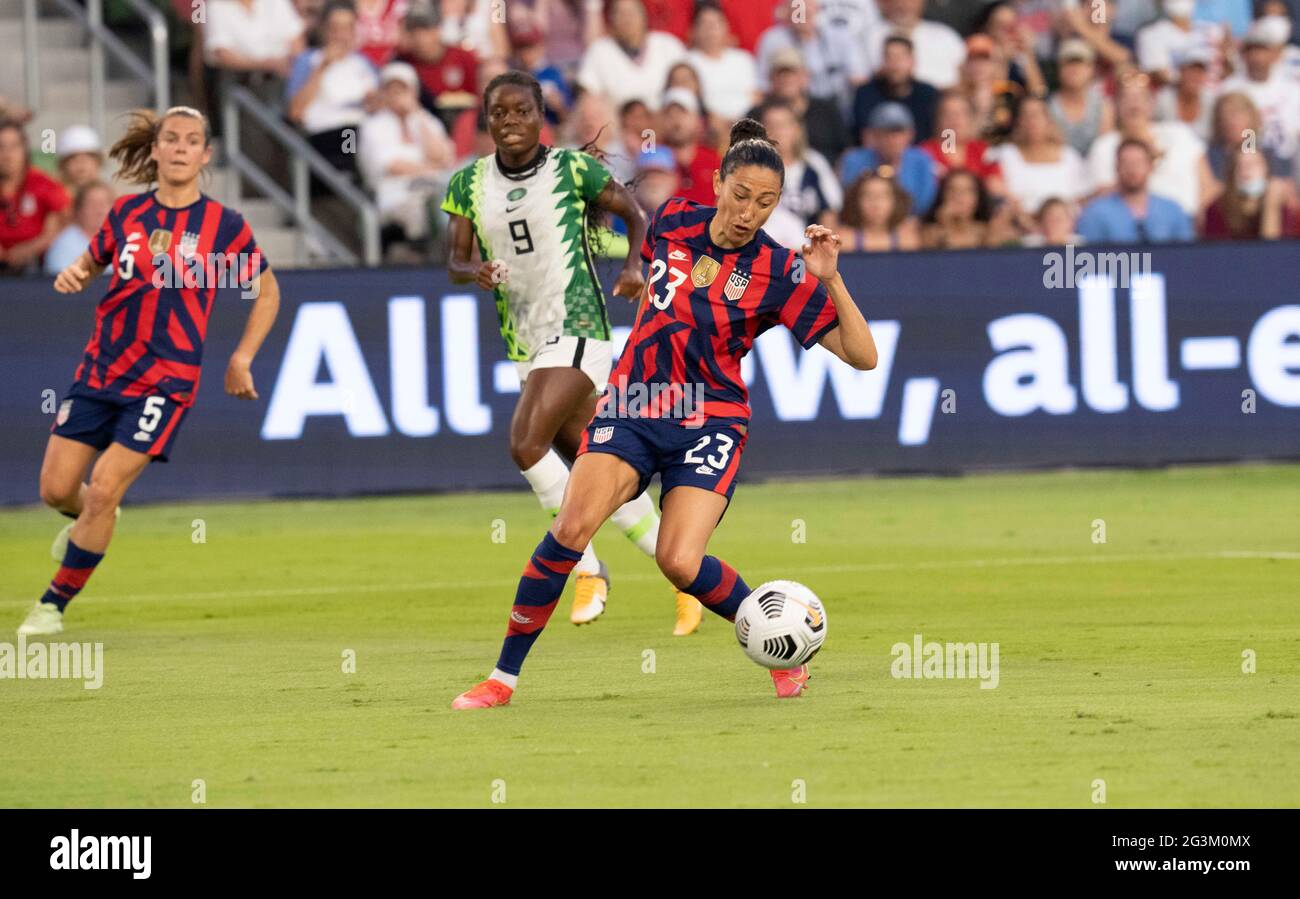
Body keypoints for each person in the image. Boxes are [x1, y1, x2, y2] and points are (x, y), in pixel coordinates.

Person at [450, 117, 880, 709]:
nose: (749, 212)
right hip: (632, 406)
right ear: (716, 182)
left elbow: (864, 357)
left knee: (679, 561)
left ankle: (781, 650)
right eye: (740, 195)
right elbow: (657, 285)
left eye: (766, 203)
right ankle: (502, 680)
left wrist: (832, 282)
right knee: (571, 528)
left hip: (711, 419)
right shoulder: (673, 219)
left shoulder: (781, 272)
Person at [442, 72, 705, 635]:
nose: (509, 121)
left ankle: (585, 568)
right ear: (487, 121)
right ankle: (690, 583)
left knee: (524, 442)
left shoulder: (571, 169)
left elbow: (636, 213)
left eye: (521, 111)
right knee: (598, 476)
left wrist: (635, 265)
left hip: (579, 324)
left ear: (542, 117)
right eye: (498, 113)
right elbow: (455, 261)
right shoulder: (467, 183)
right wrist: (477, 271)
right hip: (526, 339)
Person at [17, 107, 282, 636]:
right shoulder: (126, 214)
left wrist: (241, 357)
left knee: (103, 489)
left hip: (166, 381)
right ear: (156, 150)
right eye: (171, 139)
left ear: (205, 156)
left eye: (192, 141)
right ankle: (95, 521)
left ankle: (52, 604)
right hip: (101, 370)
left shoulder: (222, 227)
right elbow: (94, 262)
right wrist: (76, 273)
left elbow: (267, 290)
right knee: (56, 490)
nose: (181, 148)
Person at [360, 61, 456, 247]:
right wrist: (433, 167)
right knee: (424, 207)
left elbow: (443, 156)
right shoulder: (373, 125)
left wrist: (417, 114)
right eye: (392, 90)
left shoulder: (427, 121)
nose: (397, 96)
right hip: (395, 193)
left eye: (403, 90)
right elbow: (392, 166)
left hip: (433, 186)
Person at [285, 1, 380, 176]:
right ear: (324, 29)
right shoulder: (308, 61)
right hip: (329, 135)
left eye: (347, 28)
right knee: (352, 137)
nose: (341, 35)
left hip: (365, 132)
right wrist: (322, 68)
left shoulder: (363, 63)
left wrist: (373, 101)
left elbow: (379, 103)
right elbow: (295, 112)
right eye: (335, 28)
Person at [1077, 138, 1195, 242]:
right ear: (1117, 167)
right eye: (1126, 163)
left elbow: (1187, 255)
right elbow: (1090, 258)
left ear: (1150, 167)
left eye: (1138, 162)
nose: (1132, 169)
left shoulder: (1172, 210)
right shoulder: (1096, 212)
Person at [576, 0, 686, 111]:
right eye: (620, 14)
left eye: (631, 13)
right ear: (610, 19)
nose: (627, 19)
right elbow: (588, 96)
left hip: (664, 121)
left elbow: (687, 90)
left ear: (644, 16)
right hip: (617, 123)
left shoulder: (668, 45)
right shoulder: (599, 51)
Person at [839, 102, 939, 216]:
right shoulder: (853, 160)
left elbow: (924, 203)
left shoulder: (922, 160)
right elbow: (850, 201)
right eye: (885, 133)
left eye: (898, 132)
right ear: (873, 135)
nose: (892, 140)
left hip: (911, 224)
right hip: (861, 226)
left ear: (911, 134)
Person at [0, 121, 70, 276]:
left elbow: (64, 223)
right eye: (1, 147)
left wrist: (31, 248)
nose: (7, 154)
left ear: (24, 149)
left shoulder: (44, 184)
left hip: (35, 266)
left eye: (14, 146)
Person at [852, 35, 940, 145]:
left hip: (921, 155)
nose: (895, 64)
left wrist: (948, 153)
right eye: (889, 57)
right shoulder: (866, 93)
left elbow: (947, 130)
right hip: (877, 156)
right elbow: (863, 136)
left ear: (912, 61)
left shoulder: (928, 94)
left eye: (900, 58)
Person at [1202, 145, 1300, 238]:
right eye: (1240, 165)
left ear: (1267, 171)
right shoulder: (1216, 210)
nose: (1246, 169)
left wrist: (1271, 207)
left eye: (1254, 164)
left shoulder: (1284, 209)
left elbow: (1273, 252)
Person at [687, 1, 761, 123]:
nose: (710, 30)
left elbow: (756, 97)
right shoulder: (688, 62)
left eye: (715, 24)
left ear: (726, 26)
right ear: (694, 29)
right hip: (708, 126)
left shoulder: (743, 60)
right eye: (704, 24)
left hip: (747, 124)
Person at [868, 0, 966, 90]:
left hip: (943, 101)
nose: (905, 4)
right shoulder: (871, 36)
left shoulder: (946, 35)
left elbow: (966, 75)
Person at [660, 87, 721, 206]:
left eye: (683, 113)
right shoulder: (652, 160)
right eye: (670, 115)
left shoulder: (713, 160)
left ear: (698, 121)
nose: (676, 121)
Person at [837, 169, 920, 251]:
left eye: (883, 196)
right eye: (868, 195)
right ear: (856, 201)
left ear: (895, 201)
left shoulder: (907, 241)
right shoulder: (844, 240)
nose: (875, 203)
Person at [44, 181, 114, 275]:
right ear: (79, 210)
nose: (99, 209)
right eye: (92, 203)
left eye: (104, 203)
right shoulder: (64, 245)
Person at [921, 169, 997, 249]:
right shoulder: (929, 233)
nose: (959, 196)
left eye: (968, 190)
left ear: (978, 197)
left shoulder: (988, 232)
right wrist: (947, 226)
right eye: (952, 190)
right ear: (942, 195)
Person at [56, 126, 106, 193]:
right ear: (62, 165)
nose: (82, 168)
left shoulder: (113, 200)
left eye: (88, 159)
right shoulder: (51, 200)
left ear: (99, 163)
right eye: (73, 159)